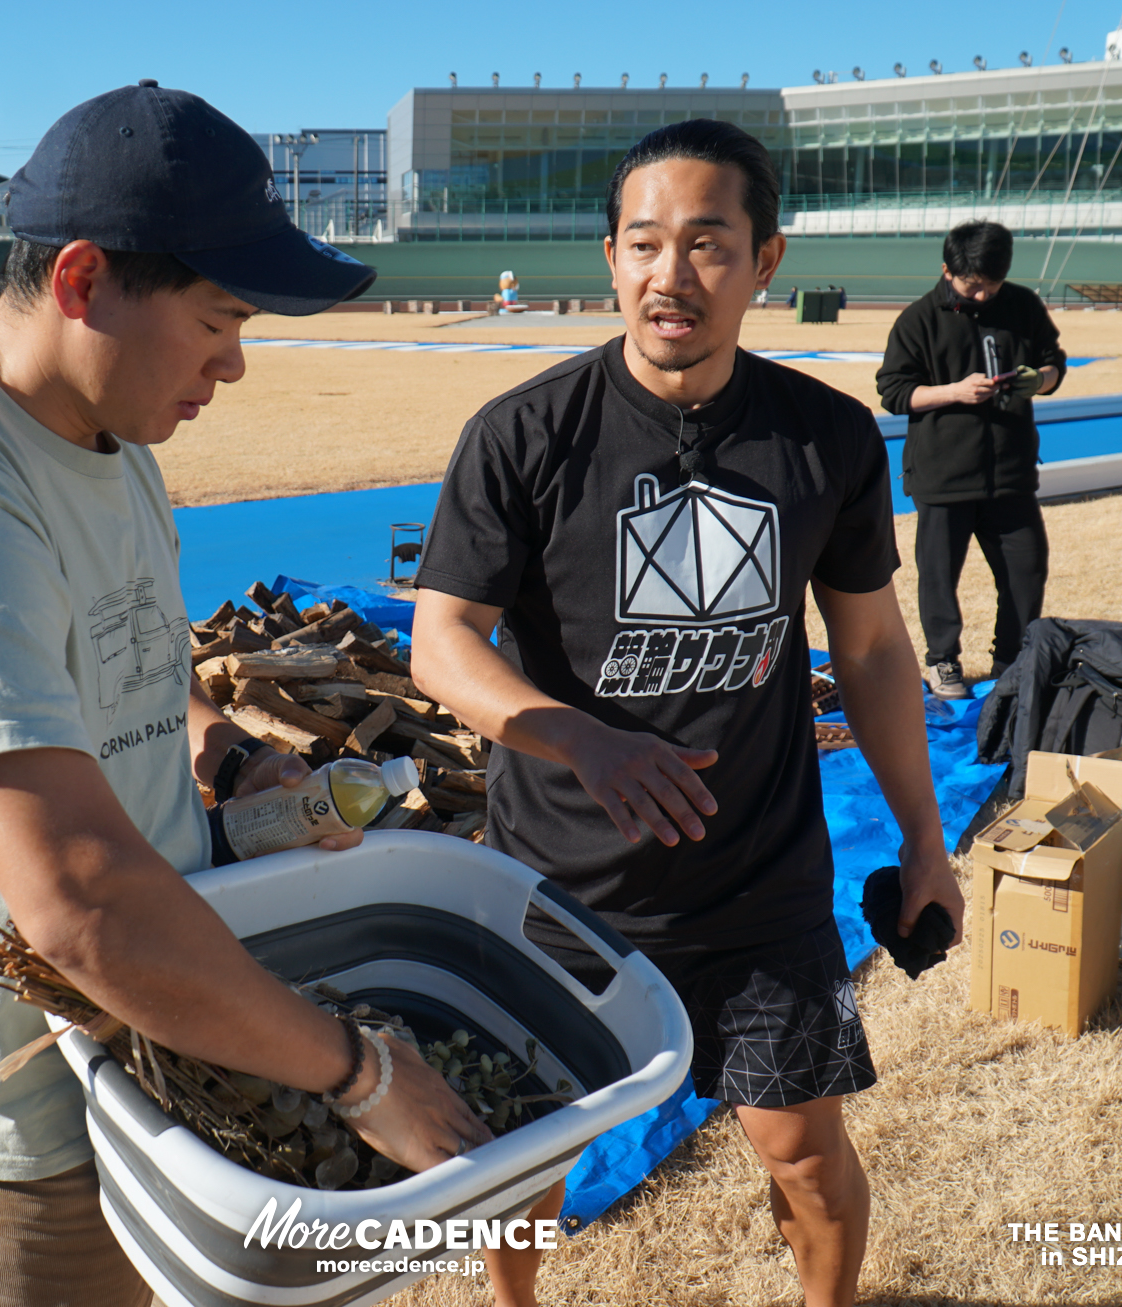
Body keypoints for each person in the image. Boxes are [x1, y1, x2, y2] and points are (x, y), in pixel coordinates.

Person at [0, 81, 486, 1307]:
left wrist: (225, 754)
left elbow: (139, 661)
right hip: (23, 1110)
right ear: (81, 282)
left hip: (169, 1046)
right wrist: (363, 1074)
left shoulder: (113, 447)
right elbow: (76, 904)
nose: (234, 365)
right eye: (219, 321)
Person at [411, 119, 960, 1307]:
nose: (673, 275)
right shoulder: (521, 435)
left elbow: (867, 645)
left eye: (708, 245)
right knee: (527, 1162)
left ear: (764, 262)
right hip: (560, 889)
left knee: (805, 1156)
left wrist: (923, 837)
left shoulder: (824, 437)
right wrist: (577, 734)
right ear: (609, 258)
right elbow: (441, 640)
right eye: (646, 243)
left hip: (758, 887)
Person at [875, 219, 1067, 700]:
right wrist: (954, 392)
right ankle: (943, 662)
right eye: (972, 285)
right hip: (943, 474)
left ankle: (1012, 663)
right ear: (947, 270)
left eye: (992, 285)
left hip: (1011, 472)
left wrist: (1038, 380)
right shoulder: (918, 320)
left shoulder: (1022, 304)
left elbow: (1054, 361)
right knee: (940, 575)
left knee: (1027, 570)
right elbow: (893, 393)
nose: (982, 296)